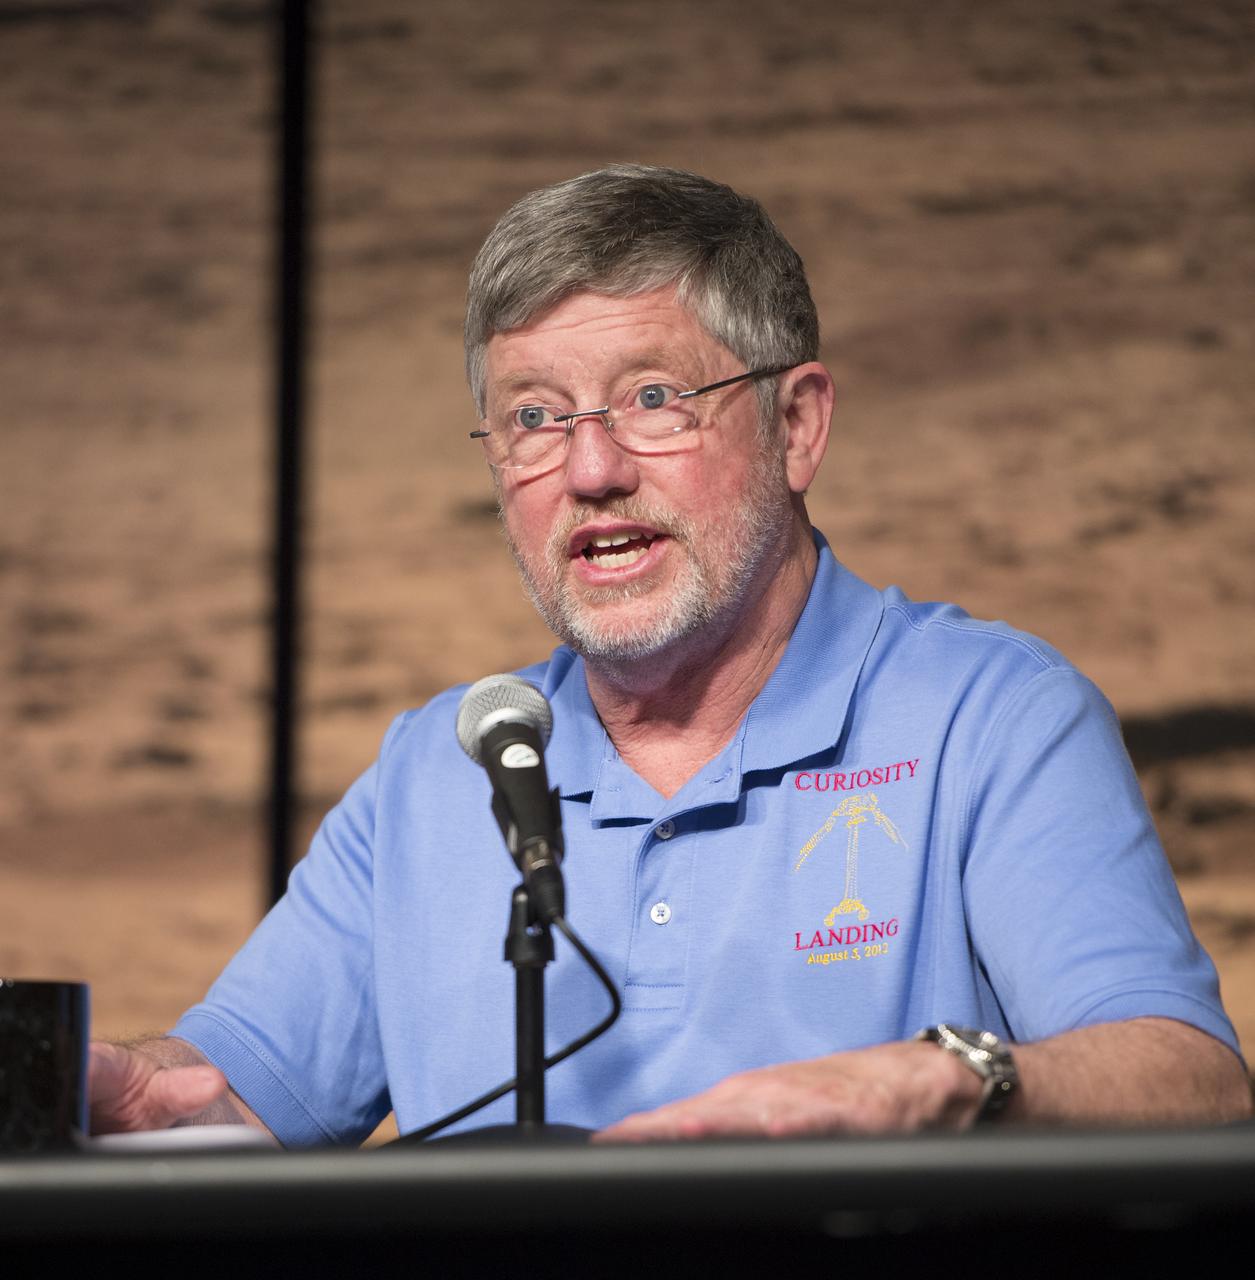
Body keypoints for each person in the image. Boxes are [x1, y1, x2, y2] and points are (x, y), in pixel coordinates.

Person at [90, 165, 1251, 1144]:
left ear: (795, 425)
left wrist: (939, 1076)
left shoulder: (989, 716)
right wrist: (128, 1092)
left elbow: (1191, 1084)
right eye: (535, 416)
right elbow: (224, 1094)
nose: (589, 470)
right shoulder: (440, 773)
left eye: (652, 397)